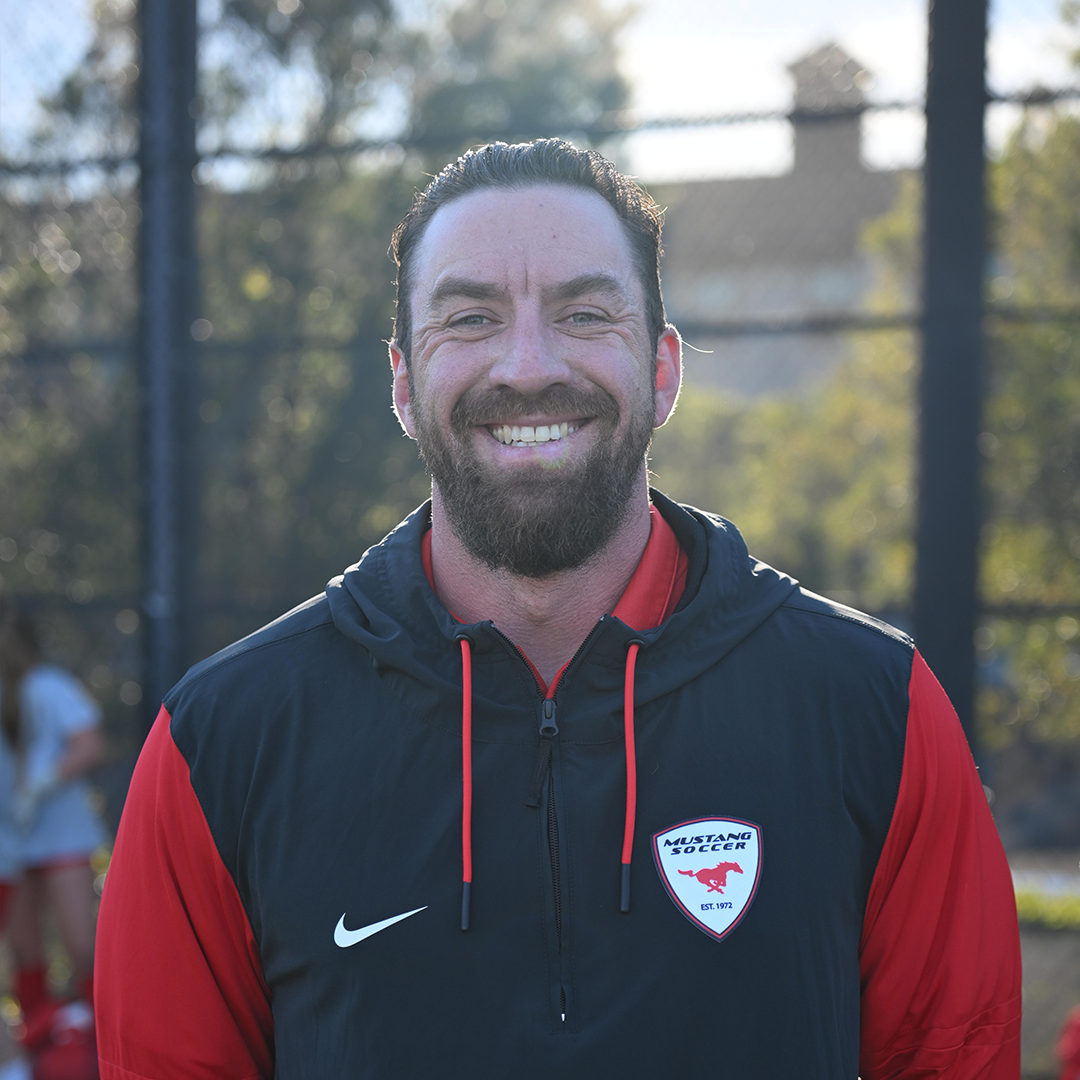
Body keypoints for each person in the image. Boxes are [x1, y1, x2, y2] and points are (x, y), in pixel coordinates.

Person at [94, 139, 1022, 1078]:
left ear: (662, 370)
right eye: (470, 319)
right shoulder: (222, 741)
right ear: (404, 384)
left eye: (584, 314)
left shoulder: (876, 707)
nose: (528, 366)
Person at [0, 597, 105, 1079]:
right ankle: (35, 1052)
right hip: (13, 842)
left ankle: (103, 1038)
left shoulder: (48, 686)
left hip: (62, 836)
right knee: (25, 952)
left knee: (83, 945)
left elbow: (89, 744)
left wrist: (42, 781)